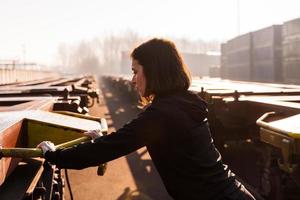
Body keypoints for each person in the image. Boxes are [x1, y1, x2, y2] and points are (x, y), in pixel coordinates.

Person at [38, 38, 256, 200]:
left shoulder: (163, 114)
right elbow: (121, 139)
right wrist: (99, 139)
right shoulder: (185, 101)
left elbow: (111, 148)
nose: (133, 80)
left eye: (135, 71)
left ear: (153, 71)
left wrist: (54, 155)